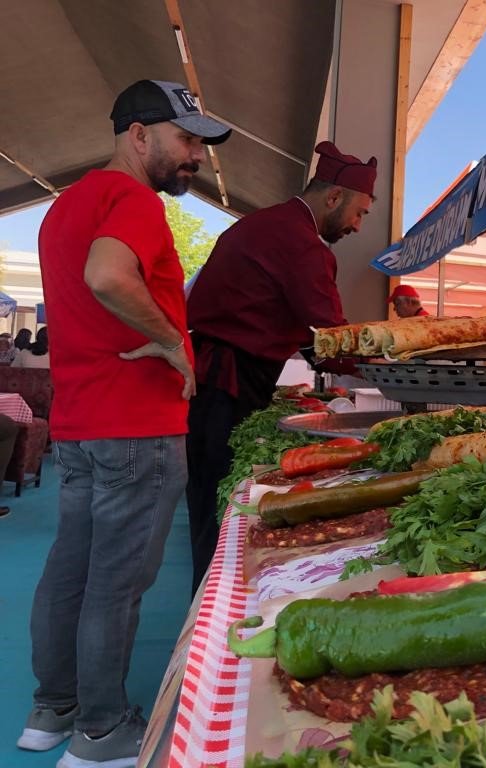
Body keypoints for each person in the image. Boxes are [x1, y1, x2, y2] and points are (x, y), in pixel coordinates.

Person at [20, 79, 230, 766]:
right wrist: (172, 340)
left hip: (81, 421)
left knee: (70, 574)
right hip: (135, 425)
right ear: (139, 136)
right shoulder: (131, 198)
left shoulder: (63, 209)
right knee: (114, 583)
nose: (195, 154)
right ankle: (103, 731)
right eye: (187, 138)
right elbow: (109, 275)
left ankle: (53, 711)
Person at [185, 141, 376, 595]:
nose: (357, 224)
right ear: (333, 198)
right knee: (216, 509)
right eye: (360, 212)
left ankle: (207, 595)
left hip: (215, 381)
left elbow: (305, 333)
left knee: (208, 505)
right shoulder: (300, 242)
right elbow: (332, 336)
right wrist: (386, 366)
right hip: (224, 386)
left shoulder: (268, 225)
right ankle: (215, 607)